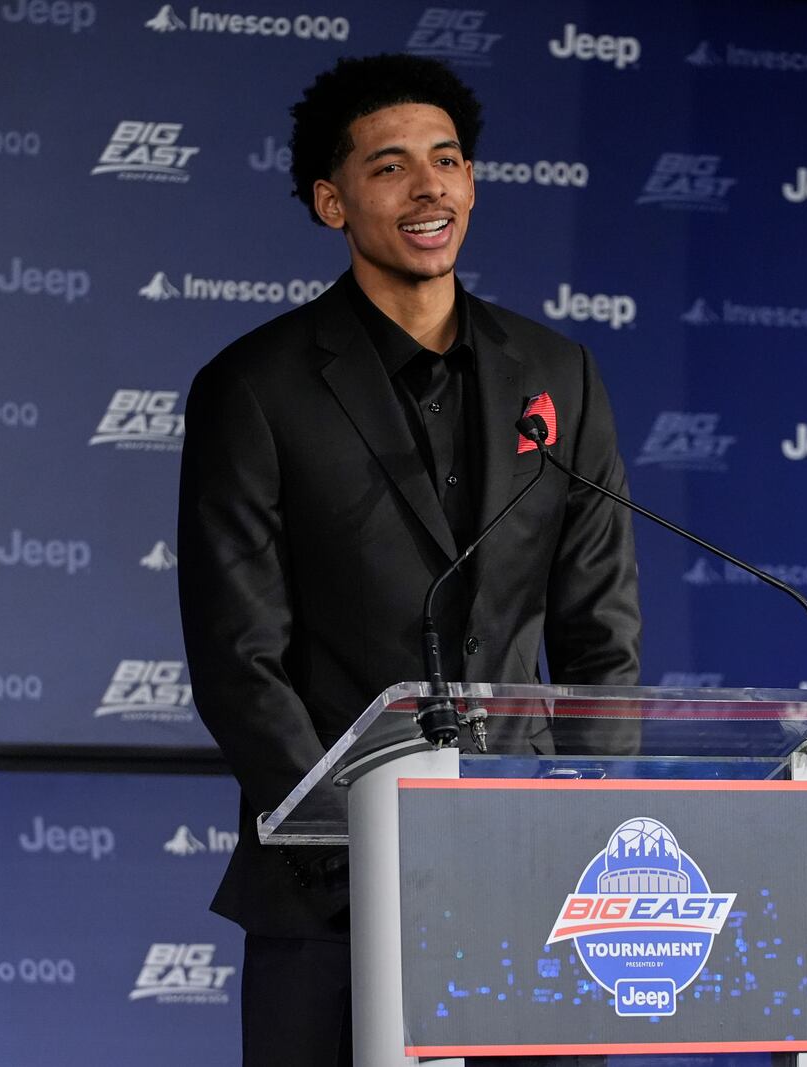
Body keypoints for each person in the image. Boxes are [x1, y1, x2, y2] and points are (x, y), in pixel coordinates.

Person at [177, 53, 640, 1066]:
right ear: (331, 202)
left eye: (448, 159)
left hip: (533, 876)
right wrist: (353, 843)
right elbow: (238, 655)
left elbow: (600, 631)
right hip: (333, 888)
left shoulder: (559, 372)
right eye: (390, 166)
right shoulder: (254, 387)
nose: (430, 184)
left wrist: (584, 822)